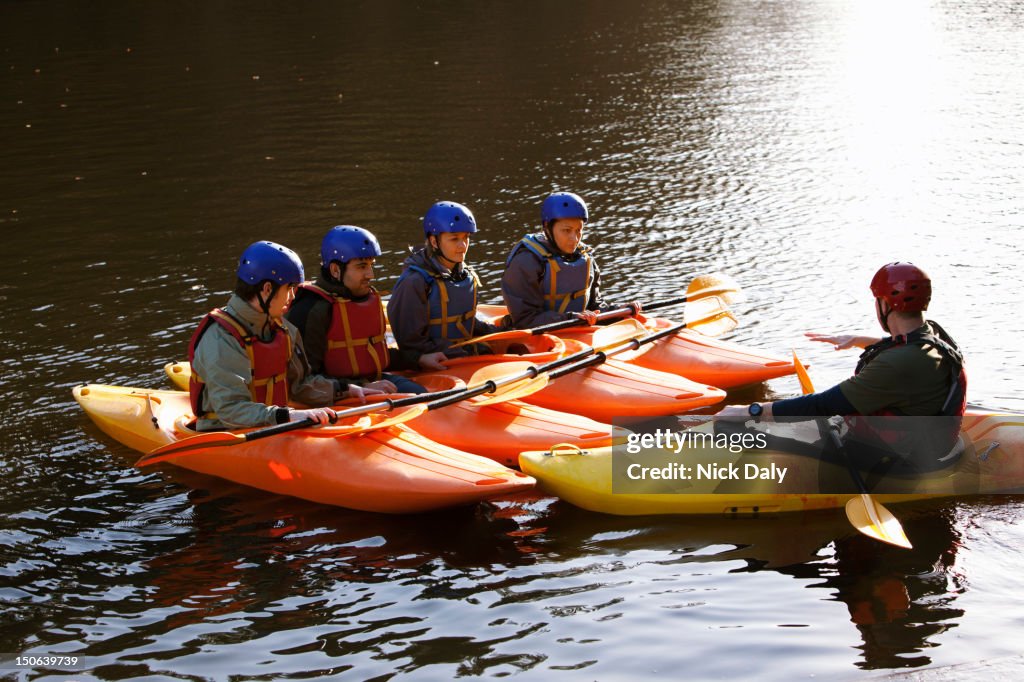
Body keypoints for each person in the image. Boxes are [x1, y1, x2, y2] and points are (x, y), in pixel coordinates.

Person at [717, 262, 967, 472]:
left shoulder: (896, 365)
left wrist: (752, 410)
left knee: (759, 432)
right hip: (925, 444)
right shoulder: (934, 335)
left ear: (885, 303)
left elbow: (825, 404)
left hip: (900, 460)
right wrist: (861, 340)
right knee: (796, 419)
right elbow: (909, 347)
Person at [188, 241, 342, 431]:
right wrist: (287, 415)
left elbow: (299, 386)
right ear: (267, 289)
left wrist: (345, 389)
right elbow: (231, 410)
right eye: (289, 288)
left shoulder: (283, 329)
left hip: (272, 425)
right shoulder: (221, 339)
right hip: (224, 431)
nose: (293, 296)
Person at [286, 225, 430, 395]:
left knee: (421, 394)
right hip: (337, 391)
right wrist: (357, 388)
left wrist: (418, 360)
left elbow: (374, 353)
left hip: (369, 380)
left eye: (371, 265)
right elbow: (306, 380)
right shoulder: (311, 309)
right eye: (362, 266)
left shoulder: (361, 297)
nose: (371, 275)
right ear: (335, 270)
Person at [386, 201, 505, 370]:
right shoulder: (414, 282)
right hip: (436, 362)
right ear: (434, 241)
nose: (463, 246)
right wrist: (456, 352)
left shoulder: (464, 274)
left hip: (462, 353)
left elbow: (465, 322)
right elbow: (410, 345)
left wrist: (499, 332)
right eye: (454, 239)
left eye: (466, 238)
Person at [501, 191, 639, 329]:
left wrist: (618, 311)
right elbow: (525, 320)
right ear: (547, 227)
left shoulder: (586, 258)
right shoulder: (525, 263)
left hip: (576, 332)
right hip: (537, 340)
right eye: (566, 230)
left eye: (579, 230)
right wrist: (571, 318)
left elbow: (594, 306)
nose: (574, 238)